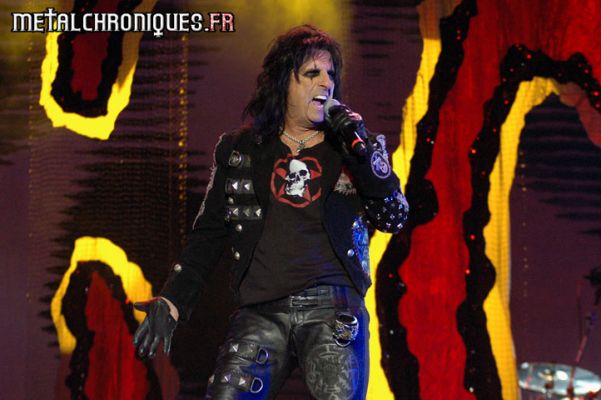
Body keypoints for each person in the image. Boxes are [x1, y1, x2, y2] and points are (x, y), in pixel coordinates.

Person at [133, 24, 409, 399]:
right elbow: (208, 233)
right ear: (283, 83)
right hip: (260, 312)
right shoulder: (241, 150)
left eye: (331, 74)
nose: (326, 83)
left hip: (332, 310)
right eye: (312, 73)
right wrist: (172, 300)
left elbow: (394, 217)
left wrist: (364, 156)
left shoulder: (352, 147)